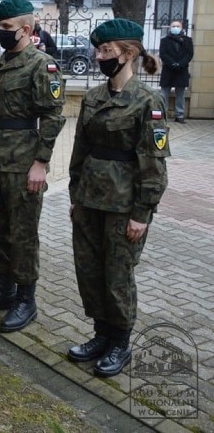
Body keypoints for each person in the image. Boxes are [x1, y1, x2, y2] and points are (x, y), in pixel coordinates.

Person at [67, 19, 169, 377]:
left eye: (106, 51)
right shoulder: (94, 97)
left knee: (118, 275)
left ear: (128, 53)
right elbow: (80, 149)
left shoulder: (148, 100)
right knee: (90, 270)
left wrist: (142, 212)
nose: (100, 56)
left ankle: (121, 342)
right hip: (90, 200)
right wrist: (75, 194)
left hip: (124, 205)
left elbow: (154, 164)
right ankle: (101, 334)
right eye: (98, 50)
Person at [0, 0, 66, 332]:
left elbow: (53, 116)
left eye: (7, 28)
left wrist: (41, 162)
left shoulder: (42, 66)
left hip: (24, 163)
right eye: (0, 28)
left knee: (22, 233)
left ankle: (26, 298)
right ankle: (3, 288)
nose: (2, 33)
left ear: (26, 29)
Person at [158, 20, 193, 123]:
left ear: (182, 28)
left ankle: (180, 115)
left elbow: (189, 54)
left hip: (182, 70)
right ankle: (163, 115)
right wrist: (172, 63)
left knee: (180, 94)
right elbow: (163, 54)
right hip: (168, 70)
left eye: (178, 26)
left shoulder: (188, 40)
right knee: (164, 94)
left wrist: (180, 64)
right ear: (170, 28)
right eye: (173, 26)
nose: (175, 28)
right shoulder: (164, 40)